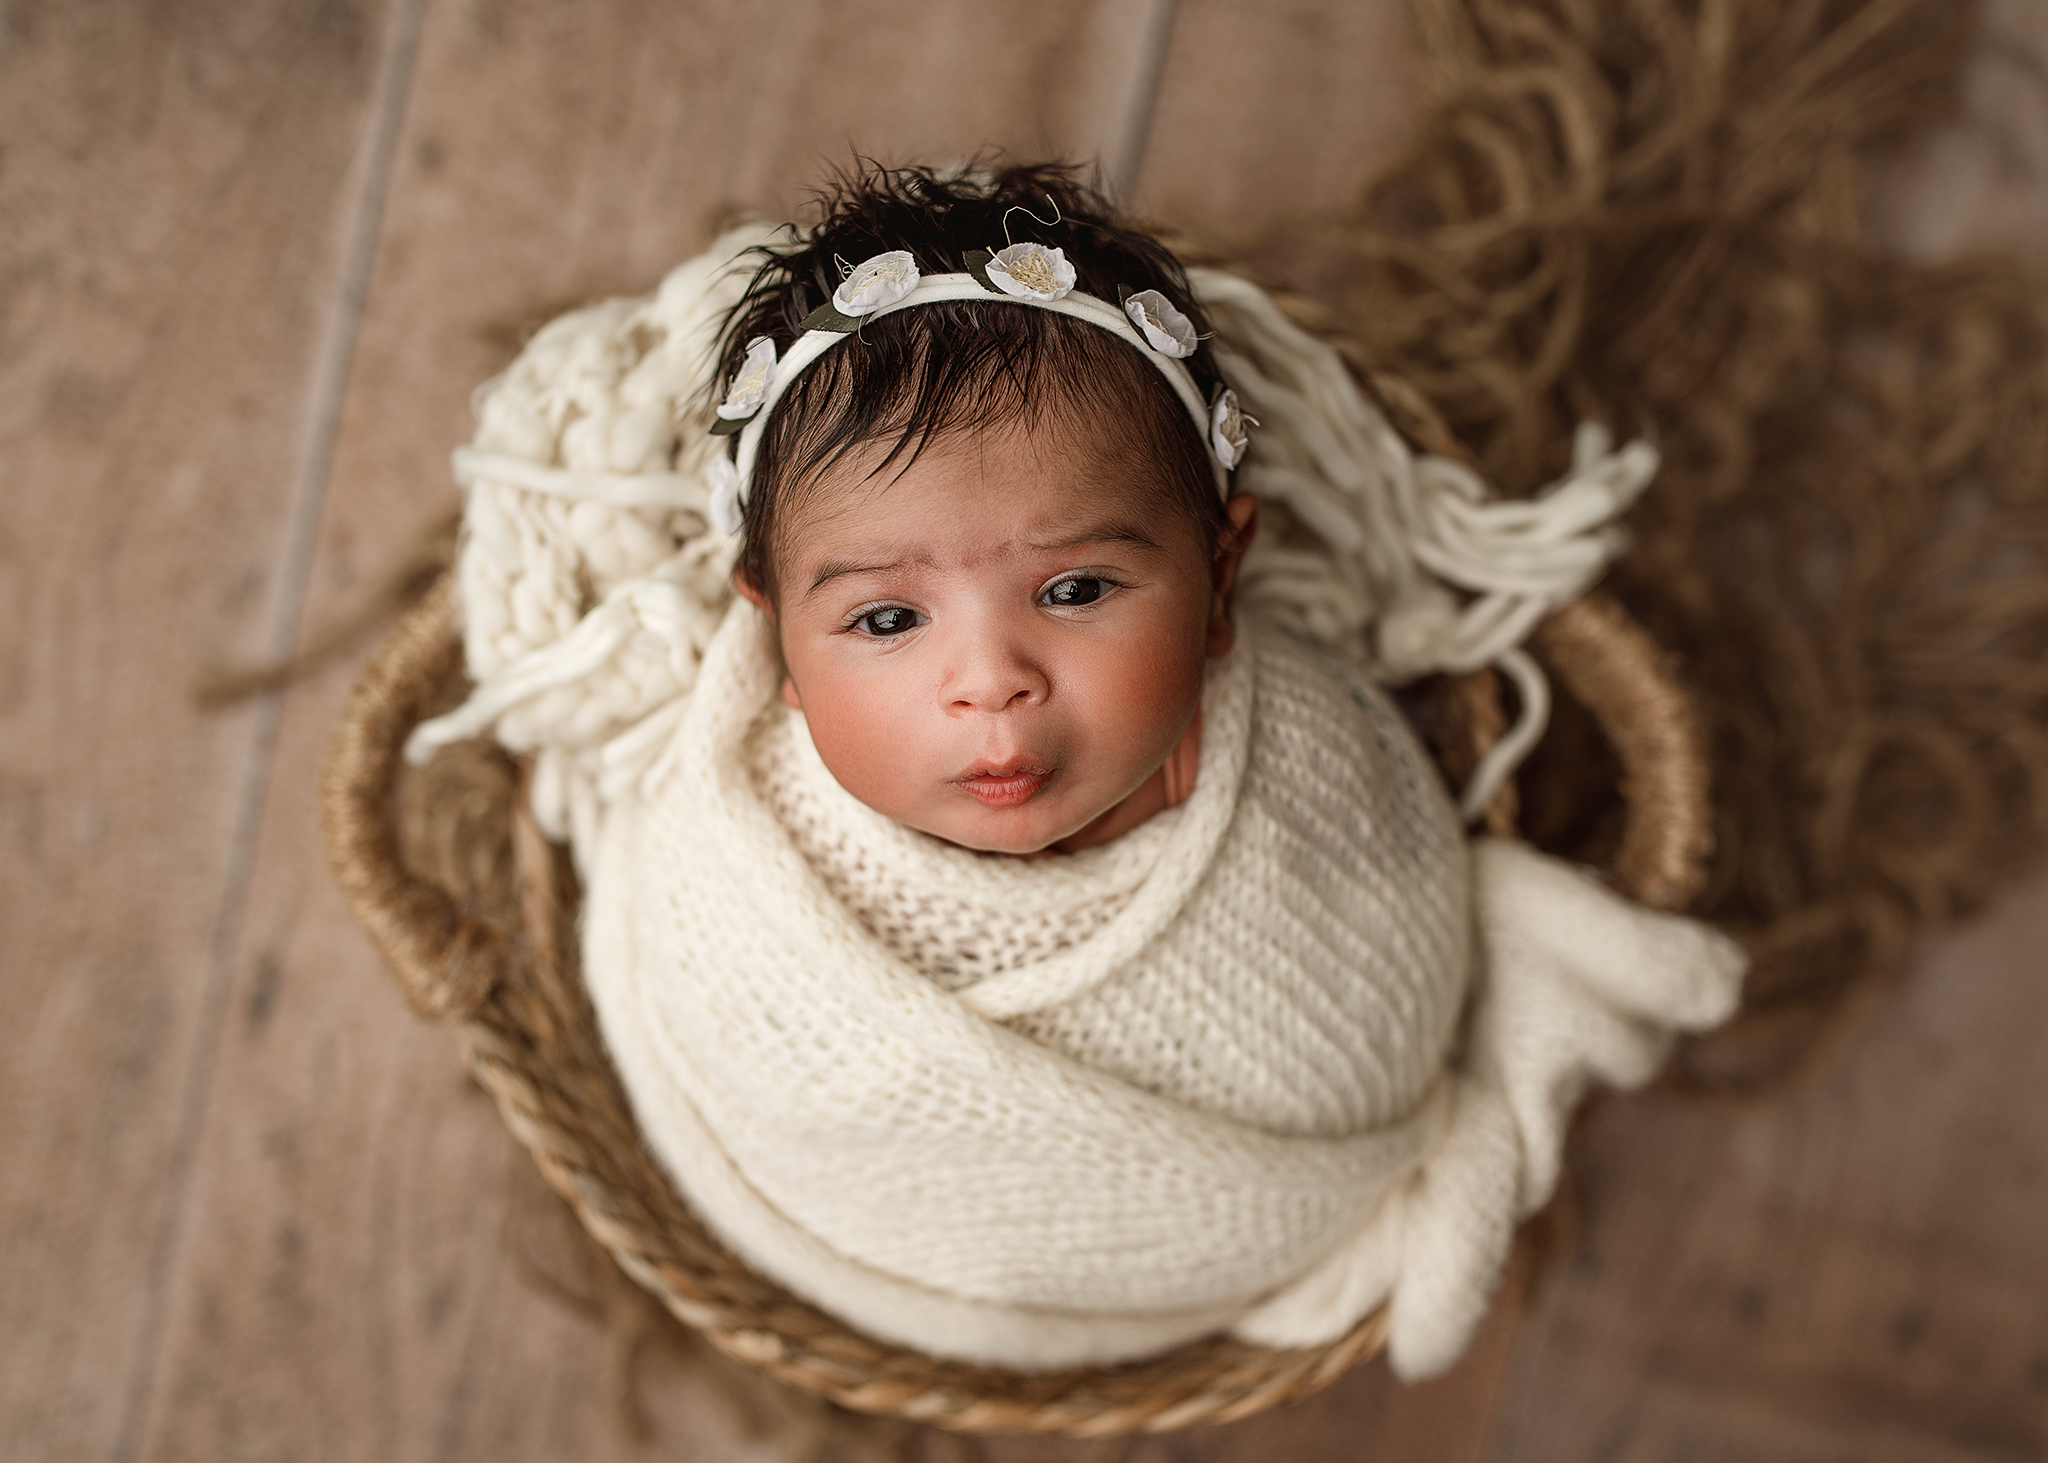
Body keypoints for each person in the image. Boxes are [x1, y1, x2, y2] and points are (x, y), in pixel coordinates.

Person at [411, 162, 1745, 1379]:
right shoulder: (739, 846)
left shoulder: (1305, 748)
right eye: (886, 620)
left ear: (1223, 578)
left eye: (1077, 586)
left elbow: (1384, 912)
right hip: (893, 1230)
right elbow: (747, 1038)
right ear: (771, 630)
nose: (989, 677)